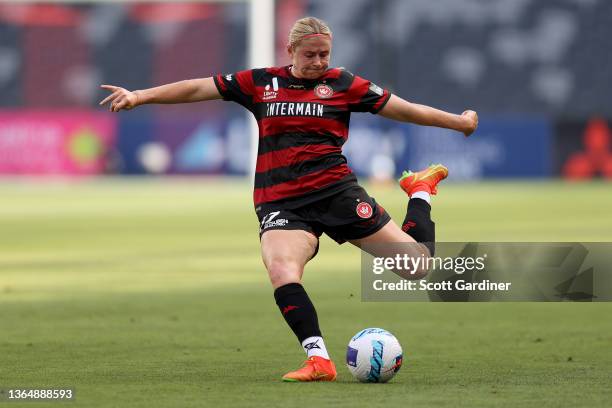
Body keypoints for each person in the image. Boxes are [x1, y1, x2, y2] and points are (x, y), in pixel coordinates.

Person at [100, 16, 478, 382]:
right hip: (281, 201)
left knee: (417, 267)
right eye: (310, 55)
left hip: (337, 194)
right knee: (281, 269)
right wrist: (139, 96)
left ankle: (421, 191)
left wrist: (457, 122)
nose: (318, 62)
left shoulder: (344, 84)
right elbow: (199, 87)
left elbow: (405, 109)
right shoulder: (261, 83)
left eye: (324, 54)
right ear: (291, 50)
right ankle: (318, 359)